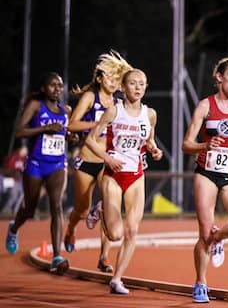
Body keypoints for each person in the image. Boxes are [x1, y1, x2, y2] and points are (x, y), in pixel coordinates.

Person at [182, 57, 228, 303]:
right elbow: (186, 144)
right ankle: (200, 282)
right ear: (219, 77)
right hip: (207, 173)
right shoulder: (205, 106)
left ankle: (220, 238)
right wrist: (205, 145)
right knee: (204, 233)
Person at [84, 68, 162, 294]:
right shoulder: (113, 111)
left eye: (142, 84)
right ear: (123, 87)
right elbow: (90, 140)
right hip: (113, 176)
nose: (138, 87)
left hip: (136, 175)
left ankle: (117, 279)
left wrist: (154, 150)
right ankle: (101, 210)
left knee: (131, 231)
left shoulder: (150, 114)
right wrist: (107, 158)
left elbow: (149, 140)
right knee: (115, 233)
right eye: (133, 83)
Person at [63, 51, 133, 273]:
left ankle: (103, 257)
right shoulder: (89, 98)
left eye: (116, 79)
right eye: (110, 78)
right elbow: (71, 125)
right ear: (101, 78)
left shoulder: (118, 103)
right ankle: (71, 228)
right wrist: (96, 125)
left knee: (108, 209)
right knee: (82, 210)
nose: (113, 83)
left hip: (108, 161)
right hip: (86, 159)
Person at [5, 72, 74, 274]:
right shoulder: (36, 106)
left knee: (56, 206)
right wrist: (43, 129)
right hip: (36, 163)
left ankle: (56, 256)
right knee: (30, 207)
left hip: (58, 164)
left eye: (60, 86)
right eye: (52, 85)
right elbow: (19, 131)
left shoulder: (66, 110)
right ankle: (14, 228)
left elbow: (64, 133)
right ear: (44, 88)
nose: (57, 89)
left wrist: (70, 138)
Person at [1, 145, 28, 214]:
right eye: (24, 151)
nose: (25, 153)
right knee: (13, 195)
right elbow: (7, 169)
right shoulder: (14, 157)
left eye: (26, 152)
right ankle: (5, 211)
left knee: (21, 195)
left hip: (20, 180)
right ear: (20, 150)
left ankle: (15, 210)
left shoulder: (24, 159)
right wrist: (16, 171)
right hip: (12, 179)